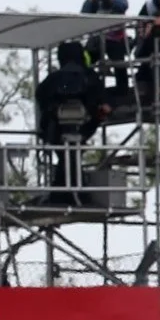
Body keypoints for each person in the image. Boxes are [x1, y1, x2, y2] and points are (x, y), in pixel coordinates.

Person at [34, 39, 110, 205]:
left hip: (57, 129)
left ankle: (64, 193)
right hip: (81, 128)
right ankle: (72, 193)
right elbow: (104, 104)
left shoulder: (53, 79)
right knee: (71, 156)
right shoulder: (90, 77)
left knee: (67, 156)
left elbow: (41, 96)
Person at [80, 0, 130, 96]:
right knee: (84, 61)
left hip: (115, 38)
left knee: (120, 65)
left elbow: (122, 7)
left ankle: (123, 93)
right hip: (97, 38)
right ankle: (87, 87)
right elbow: (84, 14)